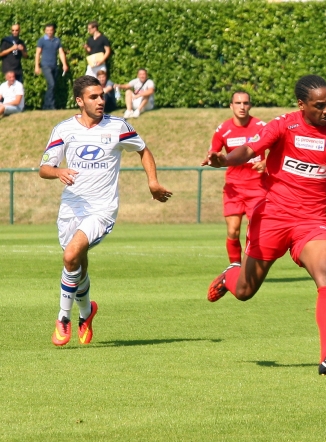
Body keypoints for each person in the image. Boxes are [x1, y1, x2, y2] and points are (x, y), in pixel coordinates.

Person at [206, 75, 326, 375]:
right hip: (272, 217)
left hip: (312, 220)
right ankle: (231, 274)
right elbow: (250, 150)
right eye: (319, 105)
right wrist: (225, 160)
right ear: (301, 104)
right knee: (244, 291)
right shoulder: (284, 124)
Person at [39, 75, 172, 347]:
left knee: (71, 254)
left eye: (102, 96)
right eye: (94, 97)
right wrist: (58, 171)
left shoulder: (118, 126)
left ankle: (63, 318)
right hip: (72, 207)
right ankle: (86, 313)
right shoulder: (64, 129)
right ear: (79, 101)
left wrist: (153, 182)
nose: (101, 101)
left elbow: (143, 150)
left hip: (102, 209)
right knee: (76, 263)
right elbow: (44, 169)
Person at [204, 91, 267, 263]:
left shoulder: (261, 126)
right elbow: (213, 153)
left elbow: (282, 150)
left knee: (254, 233)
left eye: (245, 103)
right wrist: (212, 158)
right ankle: (234, 267)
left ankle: (249, 268)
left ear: (250, 105)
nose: (242, 107)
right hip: (234, 188)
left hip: (258, 188)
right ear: (231, 106)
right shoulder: (223, 130)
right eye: (238, 103)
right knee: (233, 231)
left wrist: (267, 162)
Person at [34, 23, 68, 110]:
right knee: (51, 84)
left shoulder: (57, 40)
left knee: (52, 86)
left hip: (54, 66)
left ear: (53, 31)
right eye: (47, 30)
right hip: (45, 65)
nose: (49, 32)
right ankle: (51, 105)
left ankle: (46, 105)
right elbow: (38, 53)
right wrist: (37, 66)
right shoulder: (41, 40)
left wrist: (64, 64)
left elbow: (61, 52)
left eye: (51, 30)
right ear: (45, 31)